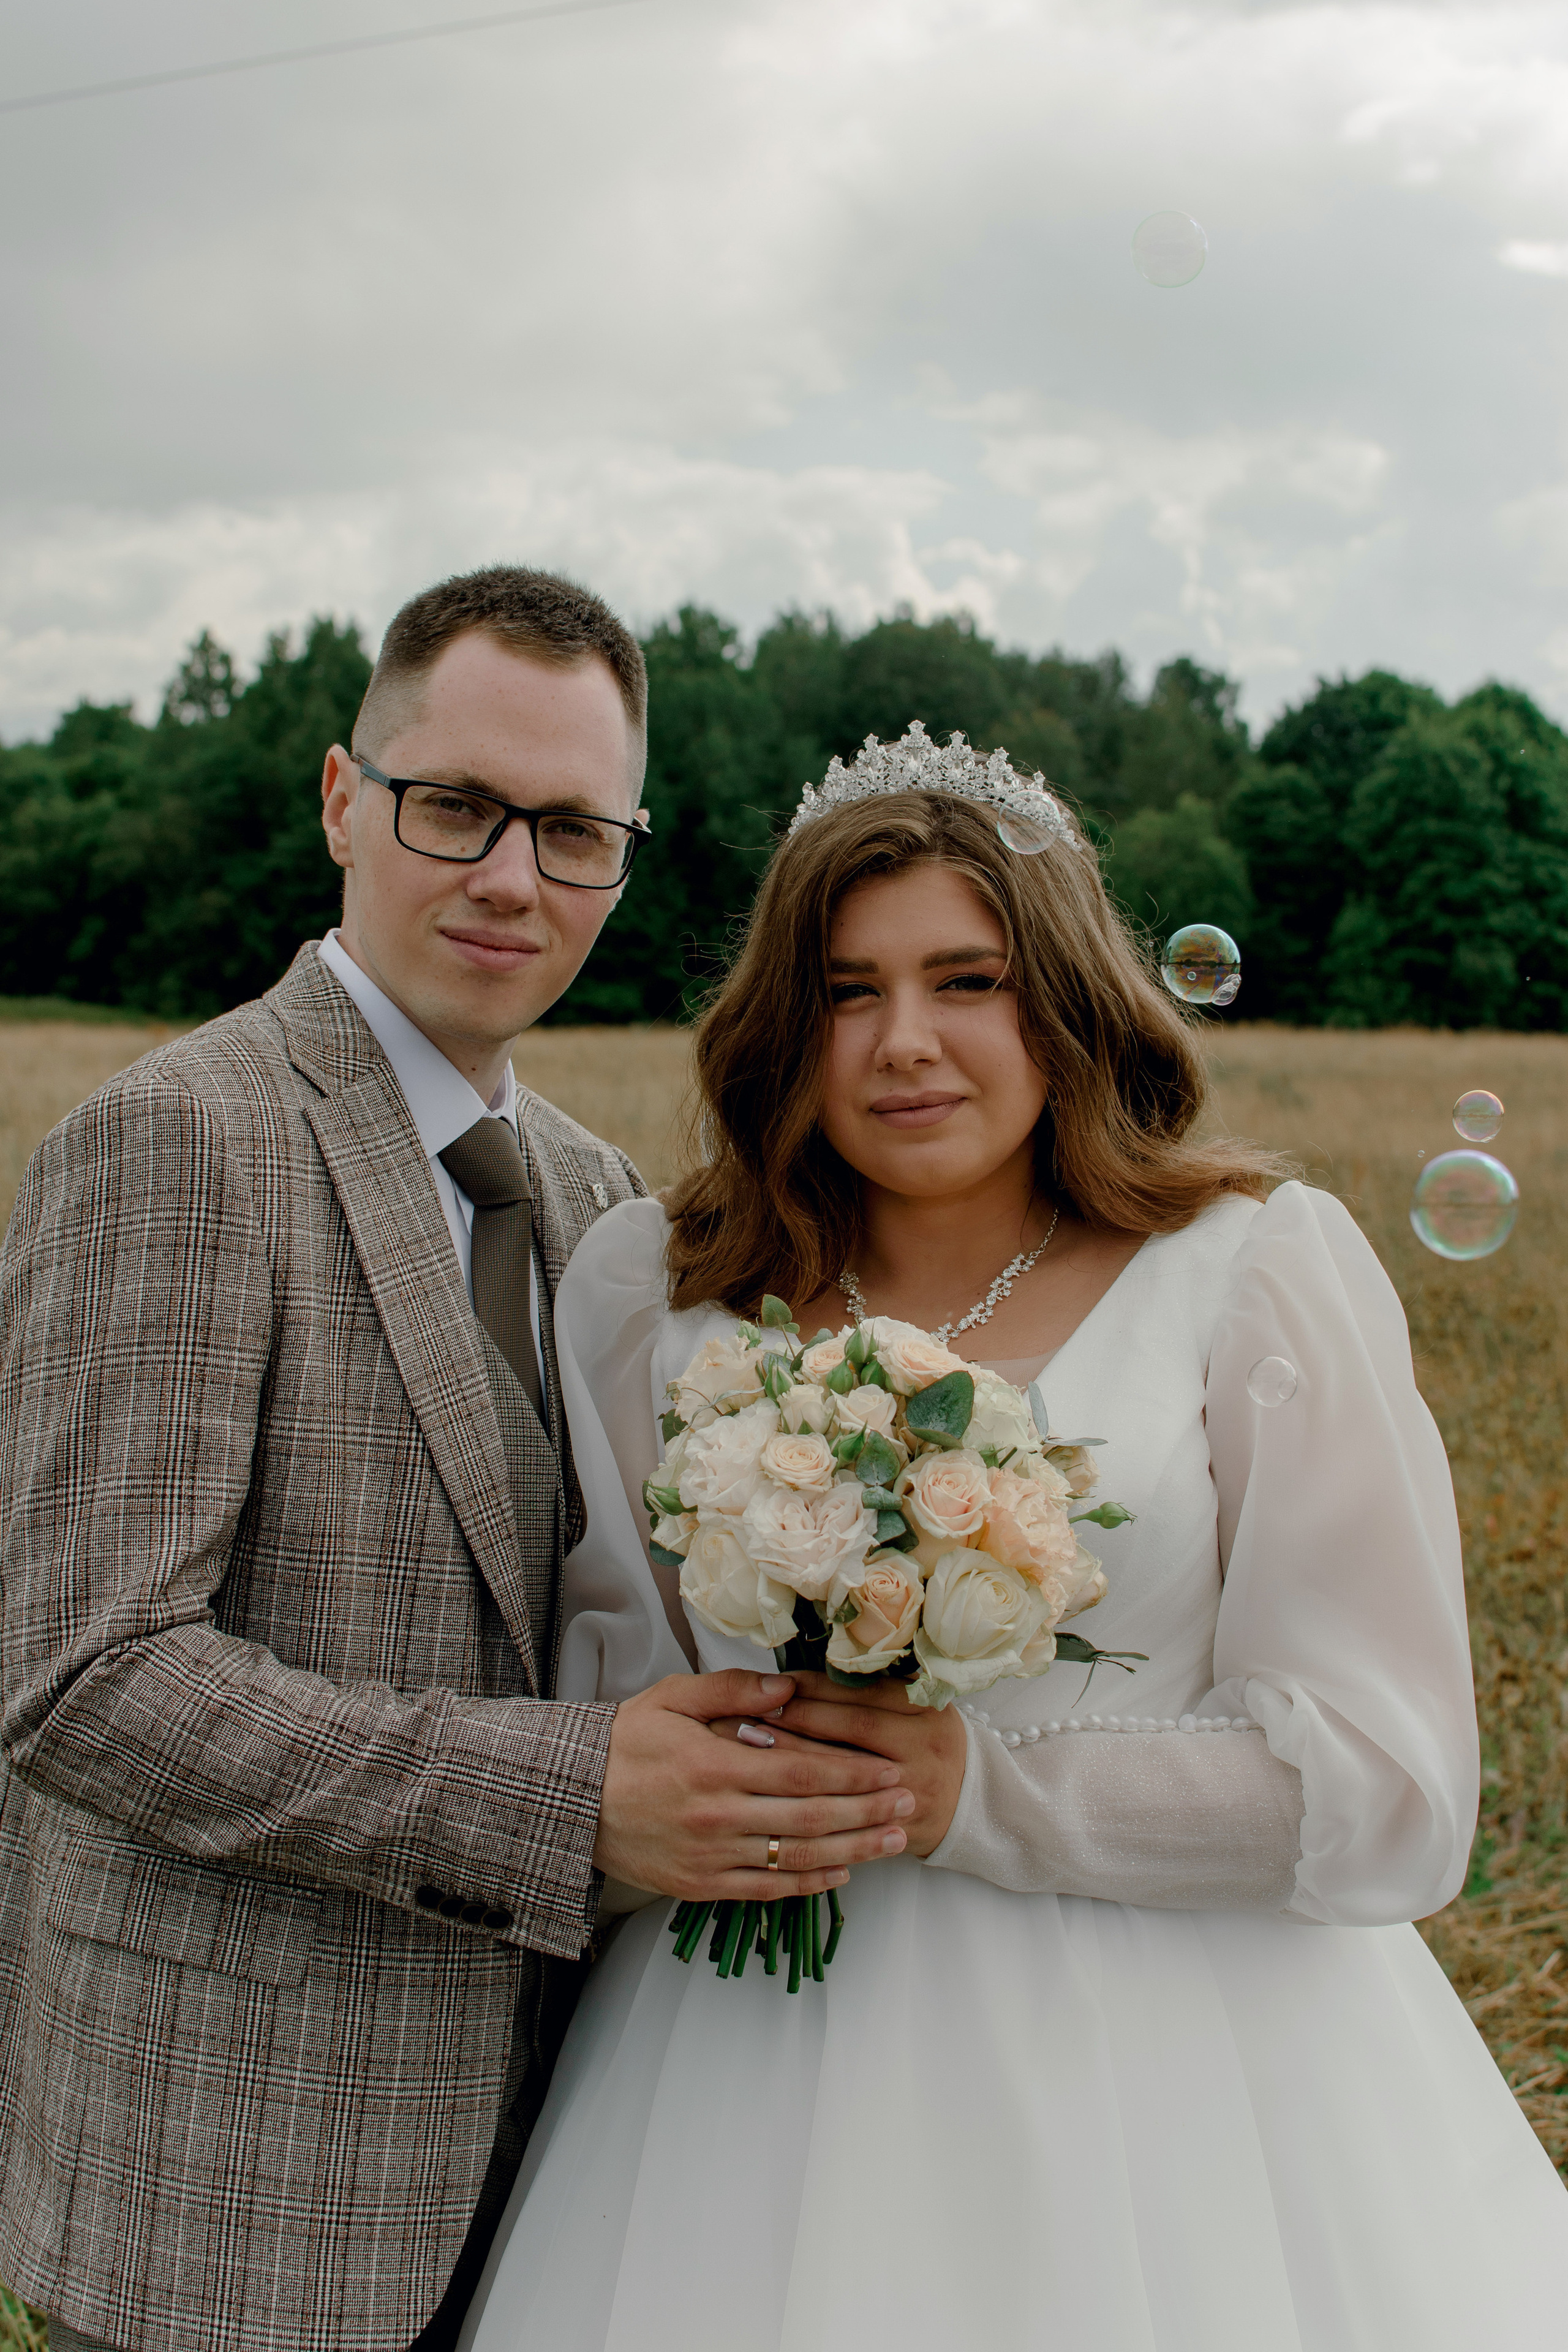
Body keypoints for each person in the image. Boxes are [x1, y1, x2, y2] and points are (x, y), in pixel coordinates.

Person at [460, 723, 1568, 2352]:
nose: (905, 1041)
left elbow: (1392, 1792)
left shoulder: (1256, 1270)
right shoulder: (653, 1288)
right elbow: (614, 1687)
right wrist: (657, 1792)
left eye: (967, 980)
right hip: (737, 2073)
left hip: (1192, 2094)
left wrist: (984, 1792)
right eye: (848, 991)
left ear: (1062, 997)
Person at [0, 567, 910, 2352]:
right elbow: (82, 1676)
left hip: (555, 2176)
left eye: (575, 829)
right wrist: (571, 1801)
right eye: (458, 807)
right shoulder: (177, 1141)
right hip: (235, 2190)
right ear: (347, 802)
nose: (512, 875)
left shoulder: (598, 1204)